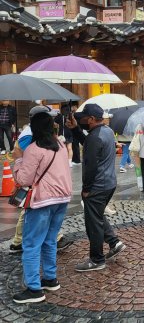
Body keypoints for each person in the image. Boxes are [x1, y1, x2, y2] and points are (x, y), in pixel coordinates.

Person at [11, 111, 72, 303]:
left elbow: (23, 179)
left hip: (43, 201)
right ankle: (50, 278)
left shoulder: (34, 149)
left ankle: (34, 289)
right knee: (49, 240)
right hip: (62, 199)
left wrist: (18, 159)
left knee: (31, 244)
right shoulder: (60, 146)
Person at [68, 103, 126, 271]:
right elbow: (90, 144)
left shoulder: (95, 137)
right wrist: (75, 129)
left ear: (92, 119)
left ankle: (96, 259)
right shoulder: (105, 131)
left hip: (97, 186)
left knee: (93, 223)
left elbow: (91, 164)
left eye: (85, 118)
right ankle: (114, 242)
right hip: (109, 183)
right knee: (97, 215)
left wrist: (86, 188)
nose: (83, 121)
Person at [9, 106, 73, 255]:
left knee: (34, 244)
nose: (55, 123)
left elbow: (25, 176)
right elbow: (29, 172)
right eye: (50, 119)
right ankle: (19, 242)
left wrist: (18, 160)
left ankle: (19, 242)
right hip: (55, 195)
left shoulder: (43, 143)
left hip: (43, 195)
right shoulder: (37, 141)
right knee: (45, 241)